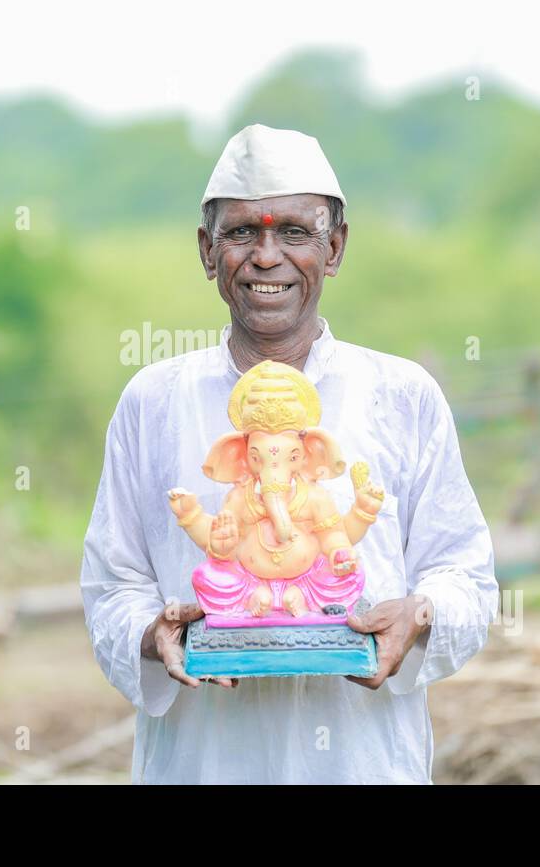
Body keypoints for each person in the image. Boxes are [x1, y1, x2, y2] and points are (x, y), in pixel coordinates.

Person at [80, 124, 498, 783]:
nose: (266, 257)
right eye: (242, 233)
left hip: (365, 763)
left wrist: (417, 617)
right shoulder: (153, 401)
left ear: (334, 247)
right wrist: (153, 635)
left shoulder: (401, 396)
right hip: (200, 763)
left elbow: (465, 578)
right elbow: (113, 585)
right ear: (206, 249)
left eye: (294, 233)